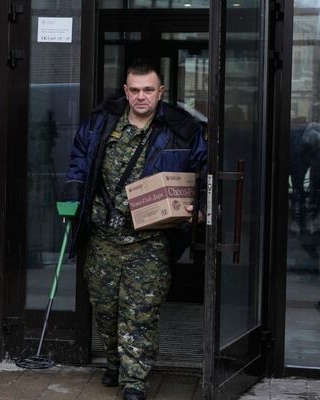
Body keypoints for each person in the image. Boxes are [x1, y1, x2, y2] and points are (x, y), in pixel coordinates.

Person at [61, 64, 206, 400]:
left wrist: (200, 207)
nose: (142, 96)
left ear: (161, 92)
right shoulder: (100, 123)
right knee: (105, 307)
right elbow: (79, 161)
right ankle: (115, 362)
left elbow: (203, 167)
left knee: (140, 311)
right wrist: (72, 195)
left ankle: (134, 380)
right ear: (126, 92)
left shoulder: (182, 129)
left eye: (149, 90)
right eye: (135, 90)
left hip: (150, 239)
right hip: (103, 235)